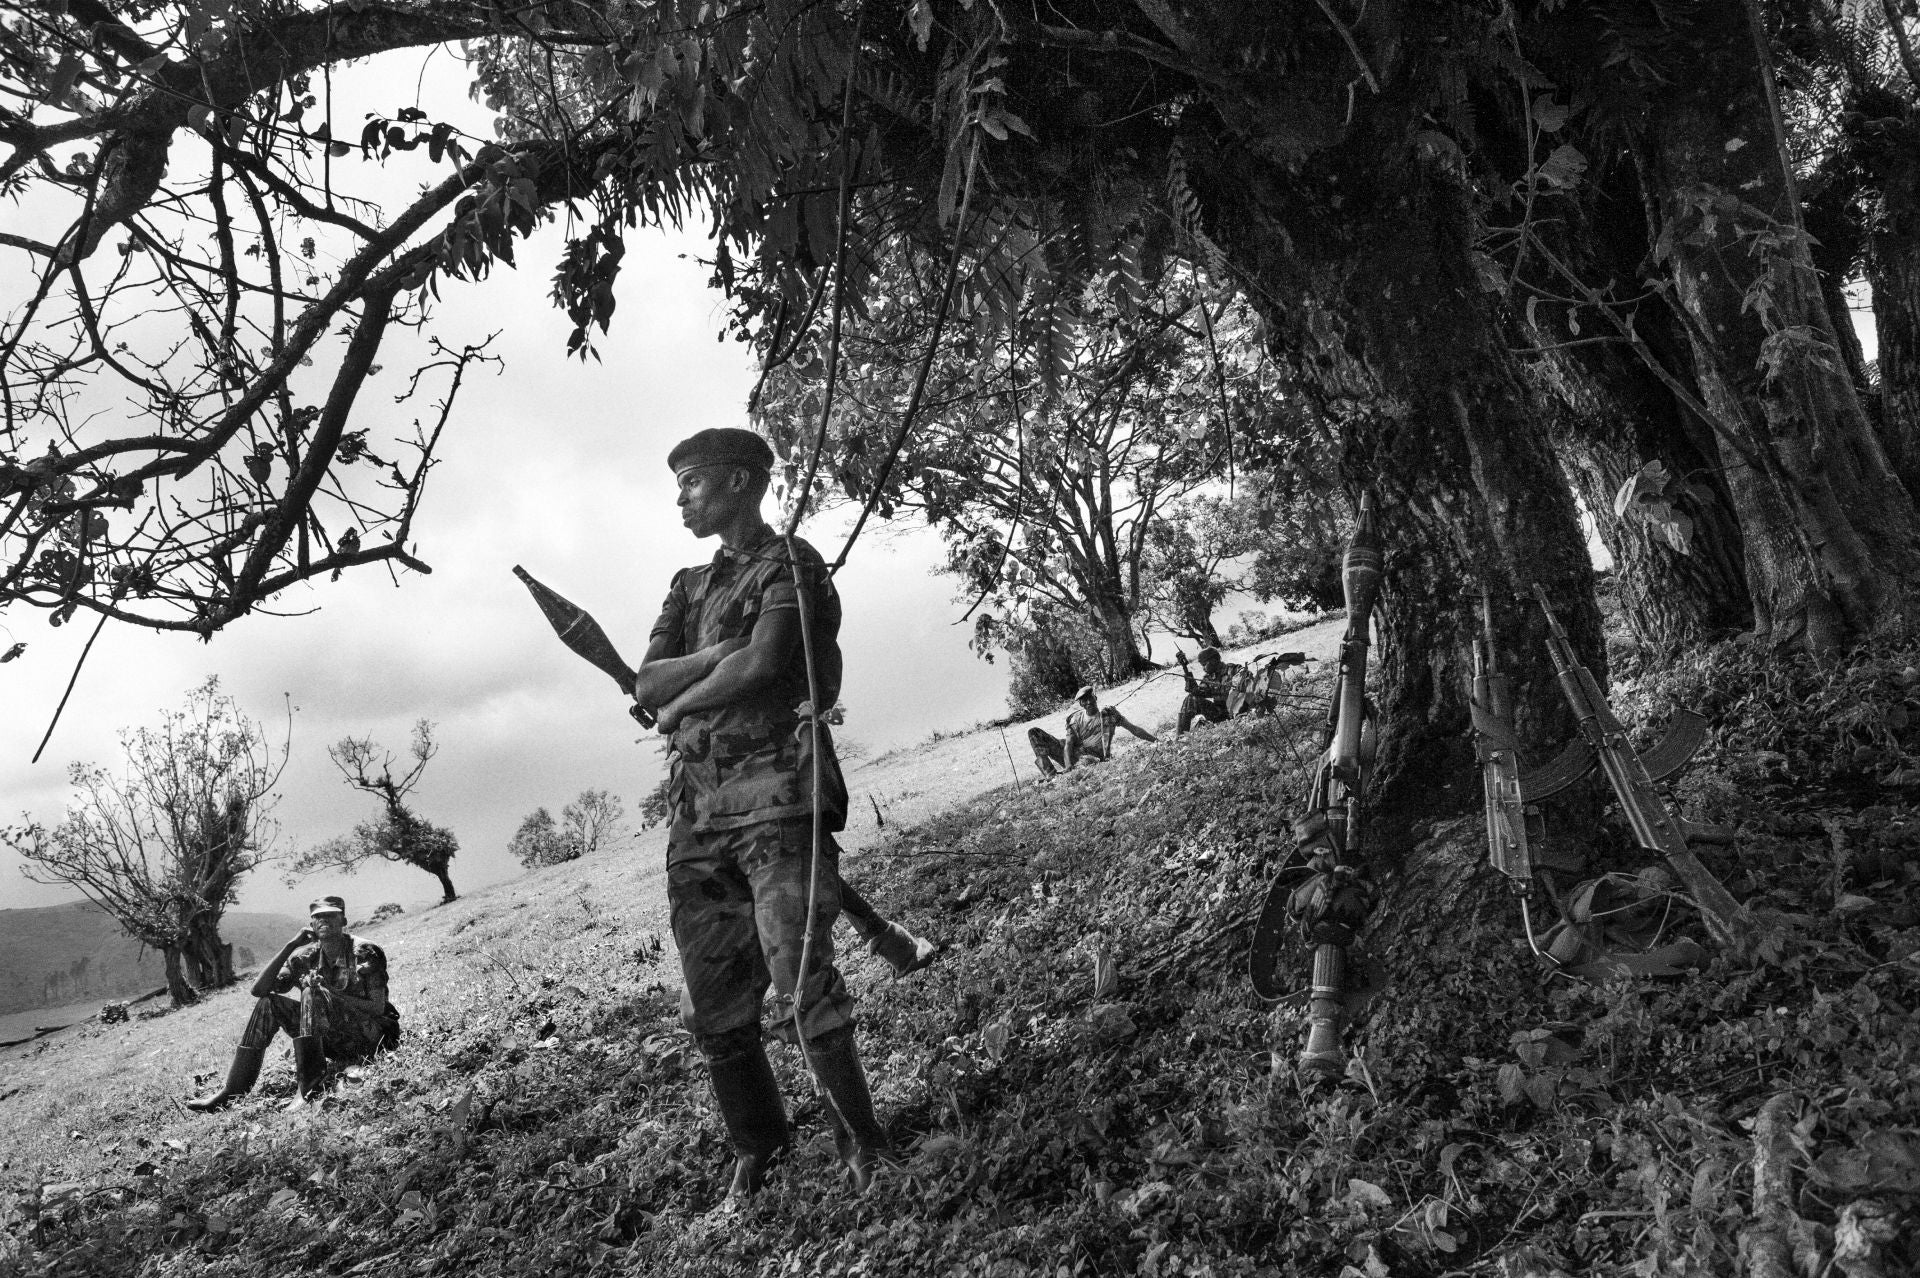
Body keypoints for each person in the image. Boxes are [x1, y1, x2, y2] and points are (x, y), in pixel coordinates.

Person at [631, 427, 890, 1199]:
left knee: (800, 979)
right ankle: (760, 1146)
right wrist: (702, 670)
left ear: (741, 481)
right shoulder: (686, 586)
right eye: (679, 487)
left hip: (779, 801)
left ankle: (862, 1142)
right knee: (714, 1002)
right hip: (698, 819)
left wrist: (680, 704)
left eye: (695, 484)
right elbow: (647, 683)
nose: (681, 498)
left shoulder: (794, 564)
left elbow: (769, 660)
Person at [185, 895, 400, 1112]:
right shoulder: (304, 957)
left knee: (311, 992)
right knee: (268, 1004)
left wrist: (328, 994)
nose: (324, 921)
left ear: (343, 921)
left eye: (331, 915)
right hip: (332, 1041)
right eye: (318, 917)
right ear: (312, 924)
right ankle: (232, 1090)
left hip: (372, 1037)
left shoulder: (364, 951)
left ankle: (308, 1090)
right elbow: (258, 990)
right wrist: (290, 945)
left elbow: (377, 1007)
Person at [1027, 686, 1157, 775]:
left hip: (1092, 757)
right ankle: (1051, 775)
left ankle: (1073, 772)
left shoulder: (1109, 714)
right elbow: (1068, 745)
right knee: (1034, 732)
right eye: (1084, 700)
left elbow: (1133, 729)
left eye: (1090, 698)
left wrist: (1155, 741)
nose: (1089, 702)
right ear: (1081, 704)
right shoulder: (1076, 719)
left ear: (1095, 697)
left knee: (1087, 762)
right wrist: (1067, 767)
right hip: (1072, 756)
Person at [1176, 647, 1240, 734]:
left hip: (1236, 711)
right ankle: (1180, 737)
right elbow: (1196, 692)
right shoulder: (1209, 678)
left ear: (1213, 661)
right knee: (1191, 698)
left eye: (1204, 664)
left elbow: (1247, 681)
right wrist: (1185, 668)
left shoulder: (1233, 670)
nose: (1203, 668)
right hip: (1220, 714)